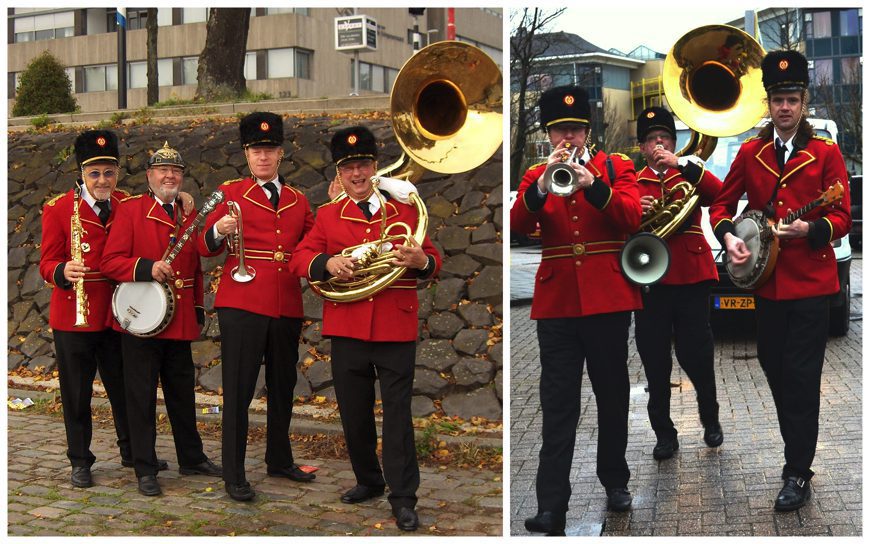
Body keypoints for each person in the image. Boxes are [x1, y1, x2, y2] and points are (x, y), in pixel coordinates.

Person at [709, 50, 851, 511]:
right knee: (774, 367)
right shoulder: (751, 153)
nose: (784, 107)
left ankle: (796, 470)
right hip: (766, 287)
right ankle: (797, 450)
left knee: (803, 378)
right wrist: (729, 237)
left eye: (792, 98)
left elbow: (843, 215)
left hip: (811, 286)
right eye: (777, 100)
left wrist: (814, 230)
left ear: (803, 101)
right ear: (768, 104)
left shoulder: (826, 153)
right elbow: (720, 204)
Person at [290, 126, 441, 532]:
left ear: (375, 167)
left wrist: (419, 261)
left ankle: (404, 498)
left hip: (395, 326)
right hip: (348, 328)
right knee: (354, 414)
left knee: (397, 417)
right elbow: (299, 256)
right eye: (349, 168)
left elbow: (434, 261)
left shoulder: (406, 209)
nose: (357, 174)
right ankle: (368, 480)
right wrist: (326, 265)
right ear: (339, 175)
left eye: (363, 165)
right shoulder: (326, 215)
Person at [509, 85, 642, 534]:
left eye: (577, 130)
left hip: (607, 300)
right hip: (558, 303)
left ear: (589, 131)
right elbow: (517, 227)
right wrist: (544, 187)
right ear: (548, 135)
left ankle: (615, 481)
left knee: (612, 395)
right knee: (558, 404)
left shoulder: (614, 167)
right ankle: (552, 505)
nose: (570, 138)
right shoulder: (535, 176)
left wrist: (593, 184)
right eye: (561, 131)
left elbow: (631, 217)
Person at [198, 112, 315, 502]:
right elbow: (202, 244)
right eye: (255, 151)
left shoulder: (299, 199)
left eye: (269, 150)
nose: (262, 157)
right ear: (246, 155)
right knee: (239, 390)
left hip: (286, 303)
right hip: (243, 303)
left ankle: (279, 459)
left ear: (280, 154)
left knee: (283, 386)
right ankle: (234, 473)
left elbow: (316, 241)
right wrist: (218, 230)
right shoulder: (230, 193)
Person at [101, 142, 222, 496]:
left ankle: (191, 457)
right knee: (140, 397)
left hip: (179, 316)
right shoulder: (131, 210)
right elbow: (110, 262)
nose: (169, 176)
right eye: (162, 171)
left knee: (182, 393)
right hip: (142, 319)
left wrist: (198, 308)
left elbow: (197, 264)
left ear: (181, 178)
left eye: (176, 172)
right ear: (150, 177)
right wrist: (147, 268)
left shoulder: (188, 212)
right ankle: (145, 466)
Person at [39, 129, 138, 488]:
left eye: (108, 172)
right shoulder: (59, 208)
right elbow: (46, 262)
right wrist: (62, 270)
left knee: (125, 389)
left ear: (117, 173)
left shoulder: (128, 203)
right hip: (73, 317)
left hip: (117, 314)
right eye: (94, 173)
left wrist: (185, 197)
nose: (102, 180)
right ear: (81, 173)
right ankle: (80, 460)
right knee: (77, 395)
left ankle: (132, 451)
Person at [633, 107, 724, 460]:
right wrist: (634, 211)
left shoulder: (688, 171)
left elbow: (719, 194)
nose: (659, 144)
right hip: (650, 280)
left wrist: (679, 163)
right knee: (655, 362)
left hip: (691, 276)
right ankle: (664, 434)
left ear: (674, 142)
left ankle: (711, 418)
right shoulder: (632, 181)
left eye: (665, 139)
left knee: (696, 354)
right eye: (652, 140)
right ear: (642, 146)